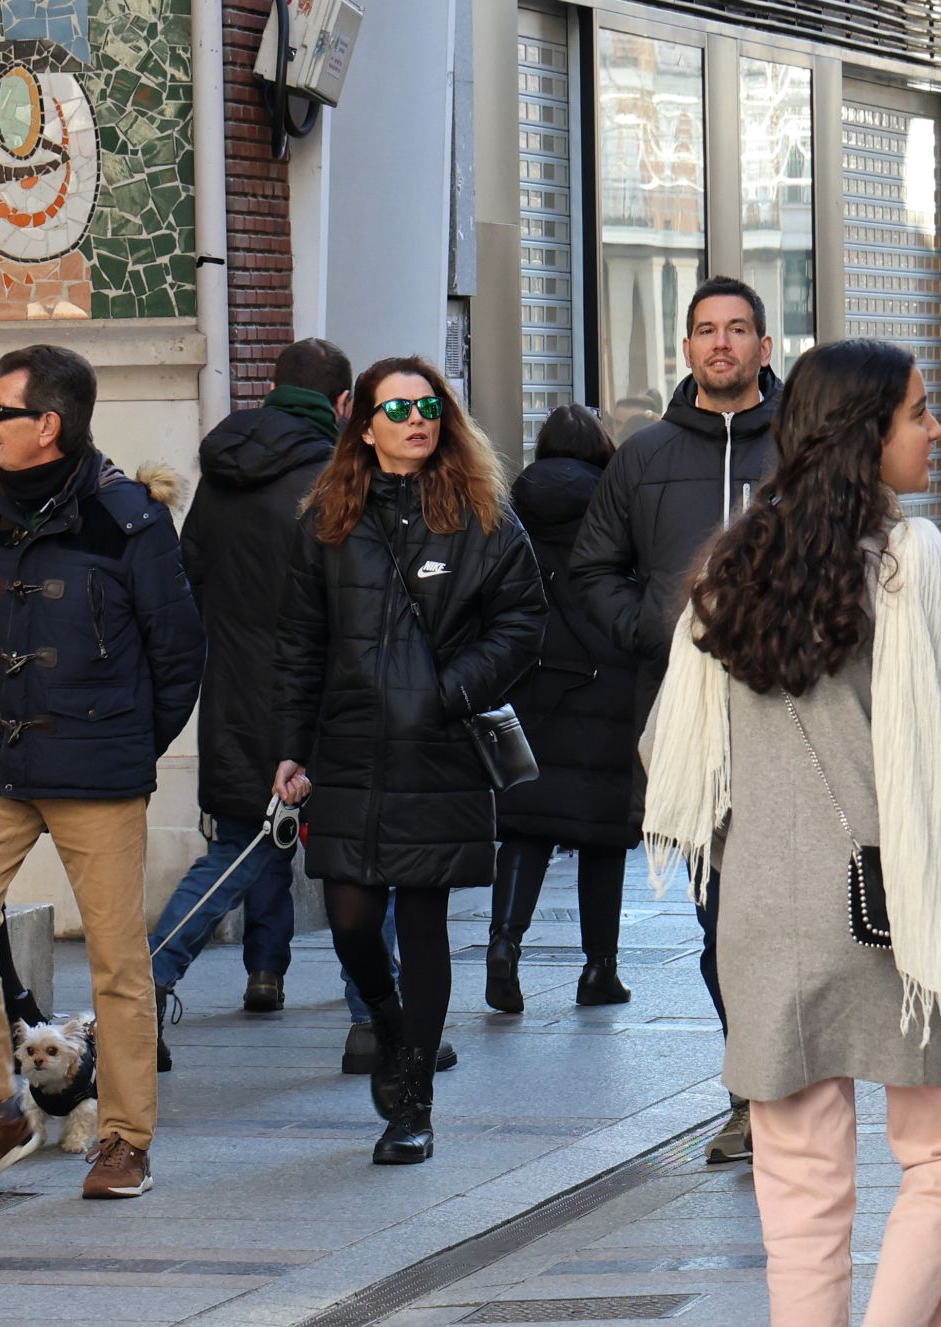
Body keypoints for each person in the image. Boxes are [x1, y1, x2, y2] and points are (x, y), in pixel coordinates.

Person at [641, 338, 941, 1327]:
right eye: (919, 413)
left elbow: (671, 758)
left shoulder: (731, 562)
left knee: (800, 1191)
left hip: (764, 914)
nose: (934, 430)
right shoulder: (908, 559)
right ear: (863, 434)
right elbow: (940, 765)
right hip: (894, 910)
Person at [0, 345, 204, 1200]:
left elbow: (179, 651)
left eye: (0, 412)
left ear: (48, 425)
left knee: (118, 961)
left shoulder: (127, 518)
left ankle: (124, 1140)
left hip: (98, 768)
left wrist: (124, 743)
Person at [274, 355, 544, 1166]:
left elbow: (524, 621)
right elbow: (300, 644)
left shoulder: (484, 511)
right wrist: (289, 749)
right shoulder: (327, 514)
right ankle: (390, 1028)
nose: (417, 419)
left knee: (423, 921)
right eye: (398, 409)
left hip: (439, 745)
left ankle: (415, 1100)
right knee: (351, 917)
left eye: (428, 406)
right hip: (350, 744)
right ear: (363, 423)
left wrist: (450, 688)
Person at [573, 274, 783, 1164]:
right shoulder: (644, 456)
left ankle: (791, 1082)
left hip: (791, 717)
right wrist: (662, 632)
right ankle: (752, 1093)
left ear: (766, 348)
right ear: (687, 349)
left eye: (739, 330)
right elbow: (591, 572)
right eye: (707, 331)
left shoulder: (807, 449)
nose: (723, 344)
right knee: (722, 921)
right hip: (686, 728)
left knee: (788, 917)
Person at [147, 338, 351, 1072]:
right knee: (360, 859)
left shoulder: (220, 478)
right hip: (325, 693)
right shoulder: (337, 478)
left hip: (233, 691)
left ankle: (147, 982)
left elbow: (187, 582)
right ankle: (377, 1019)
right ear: (342, 404)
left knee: (235, 847)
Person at [487, 404, 640, 1013]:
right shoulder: (616, 504)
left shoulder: (509, 507)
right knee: (602, 833)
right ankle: (599, 969)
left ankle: (503, 946)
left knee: (527, 824)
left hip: (533, 685)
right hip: (607, 682)